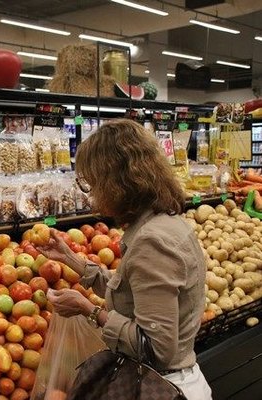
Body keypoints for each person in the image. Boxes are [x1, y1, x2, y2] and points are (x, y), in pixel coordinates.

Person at [40, 119, 212, 399]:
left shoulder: (153, 240)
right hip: (163, 381)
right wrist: (72, 260)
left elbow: (156, 348)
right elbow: (133, 291)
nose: (92, 195)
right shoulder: (162, 223)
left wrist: (88, 310)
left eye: (94, 184)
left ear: (116, 183)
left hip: (162, 388)